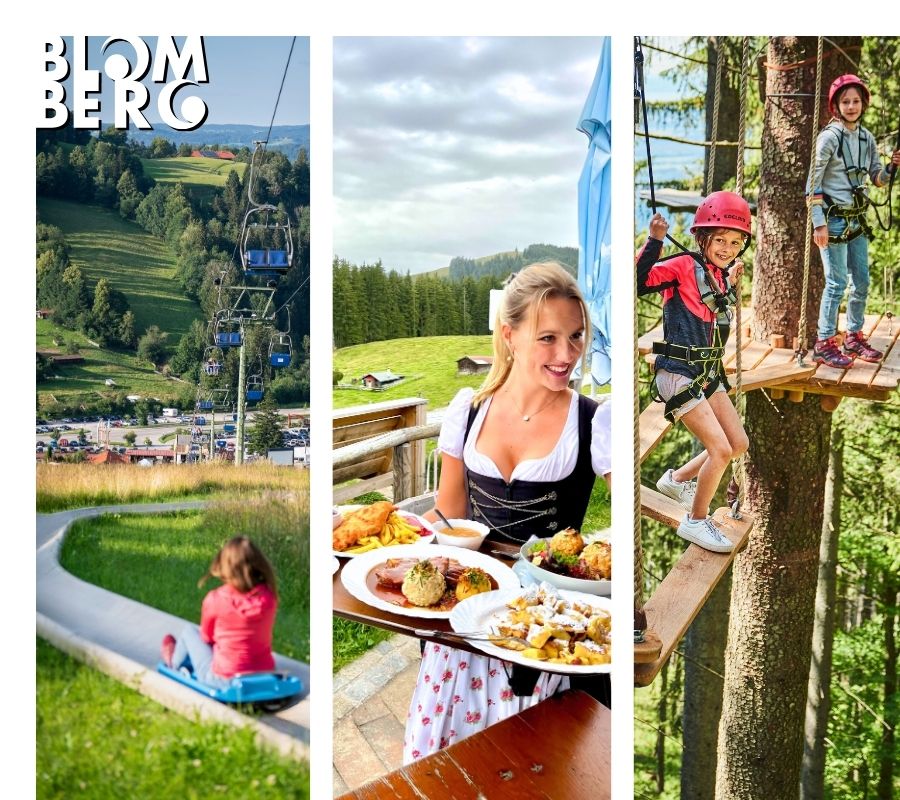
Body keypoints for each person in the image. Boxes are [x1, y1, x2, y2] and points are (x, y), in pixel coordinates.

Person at [402, 261, 612, 763]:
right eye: (548, 338)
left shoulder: (593, 421)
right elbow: (449, 515)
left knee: (529, 770)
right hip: (467, 629)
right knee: (444, 768)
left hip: (545, 634)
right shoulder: (468, 411)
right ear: (509, 335)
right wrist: (394, 541)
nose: (567, 355)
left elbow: (627, 528)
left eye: (577, 336)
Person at [635, 192, 750, 553]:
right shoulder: (683, 265)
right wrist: (654, 241)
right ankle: (696, 522)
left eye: (735, 242)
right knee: (718, 449)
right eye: (720, 240)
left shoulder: (719, 275)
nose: (727, 248)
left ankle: (677, 479)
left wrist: (731, 282)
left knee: (737, 444)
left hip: (705, 372)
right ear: (703, 239)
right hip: (678, 372)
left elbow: (714, 316)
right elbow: (638, 283)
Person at [808, 73, 900, 368]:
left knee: (861, 281)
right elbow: (813, 182)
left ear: (863, 104)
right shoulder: (828, 138)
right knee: (835, 284)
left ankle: (853, 336)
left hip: (857, 220)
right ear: (836, 105)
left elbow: (877, 179)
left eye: (855, 101)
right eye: (845, 101)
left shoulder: (866, 137)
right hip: (833, 221)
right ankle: (824, 342)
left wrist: (890, 168)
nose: (851, 106)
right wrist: (818, 222)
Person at [160, 536, 277, 686]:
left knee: (189, 632)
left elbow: (207, 637)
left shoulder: (215, 599)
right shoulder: (268, 597)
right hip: (265, 671)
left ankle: (173, 663)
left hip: (224, 678)